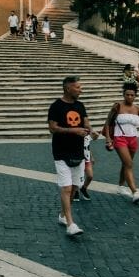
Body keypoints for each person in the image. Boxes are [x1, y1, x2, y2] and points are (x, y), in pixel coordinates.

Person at [49, 76, 91, 237]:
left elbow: (86, 123)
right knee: (66, 188)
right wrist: (72, 130)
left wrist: (90, 130)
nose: (81, 90)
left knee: (74, 189)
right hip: (61, 152)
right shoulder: (56, 106)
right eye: (78, 87)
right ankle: (71, 224)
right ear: (68, 88)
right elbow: (52, 128)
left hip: (78, 152)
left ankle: (62, 216)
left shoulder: (80, 106)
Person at [104, 82, 139, 202]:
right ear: (123, 95)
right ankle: (135, 192)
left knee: (126, 164)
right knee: (129, 164)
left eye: (132, 95)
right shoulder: (117, 106)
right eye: (127, 94)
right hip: (120, 138)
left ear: (135, 96)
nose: (129, 97)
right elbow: (108, 122)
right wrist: (108, 139)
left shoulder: (137, 109)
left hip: (133, 139)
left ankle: (120, 186)